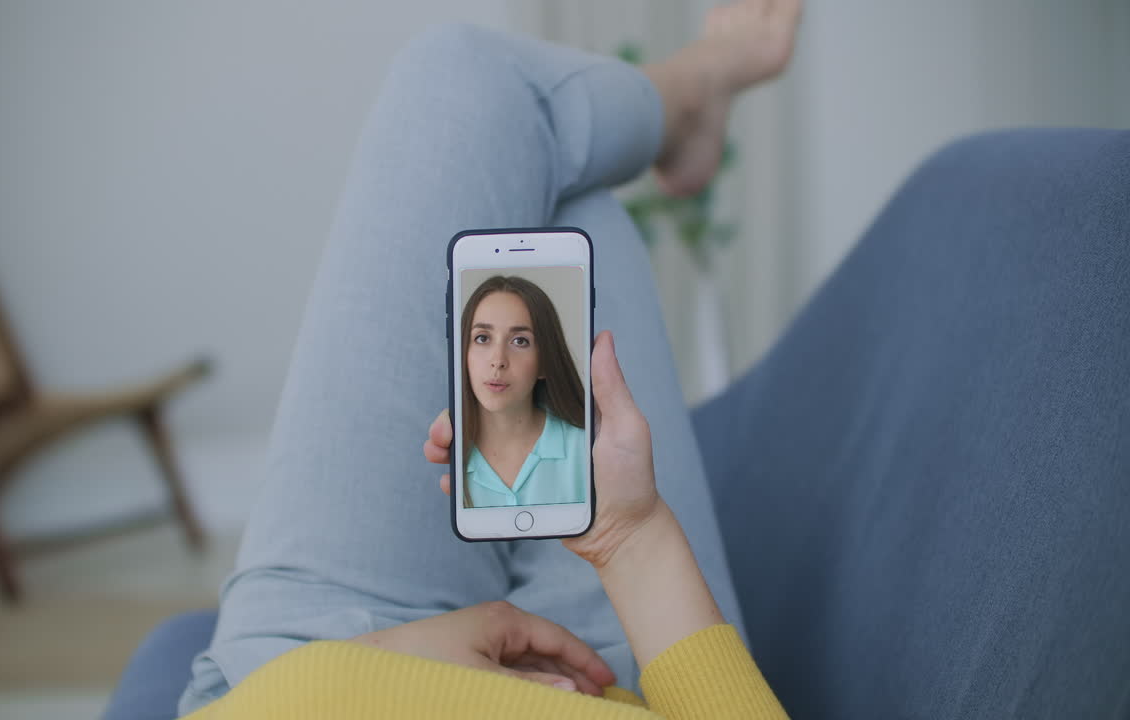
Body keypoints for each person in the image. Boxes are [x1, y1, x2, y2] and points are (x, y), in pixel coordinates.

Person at [180, 0, 801, 716]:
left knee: (474, 94)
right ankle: (692, 94)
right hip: (607, 684)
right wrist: (628, 536)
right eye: (485, 340)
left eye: (512, 343)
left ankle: (687, 97)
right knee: (577, 211)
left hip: (280, 679)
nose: (498, 357)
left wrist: (389, 665)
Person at [460, 274, 587, 509]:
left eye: (520, 341)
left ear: (544, 362)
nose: (498, 360)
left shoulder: (587, 448)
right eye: (482, 338)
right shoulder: (447, 457)